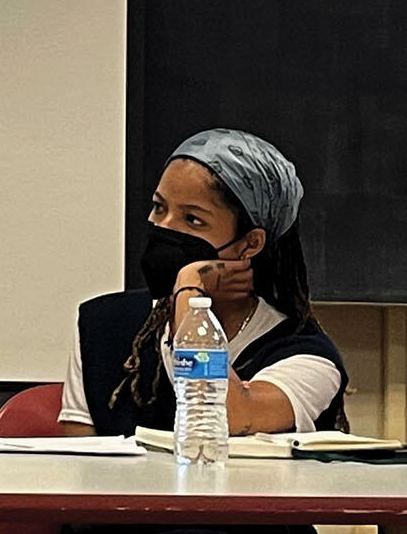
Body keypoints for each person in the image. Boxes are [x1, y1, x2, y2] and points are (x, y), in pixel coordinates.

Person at [60, 129, 347, 439]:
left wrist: (189, 289)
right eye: (159, 208)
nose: (164, 227)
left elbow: (225, 416)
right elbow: (83, 465)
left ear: (250, 243)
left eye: (192, 219)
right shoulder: (103, 325)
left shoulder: (304, 354)